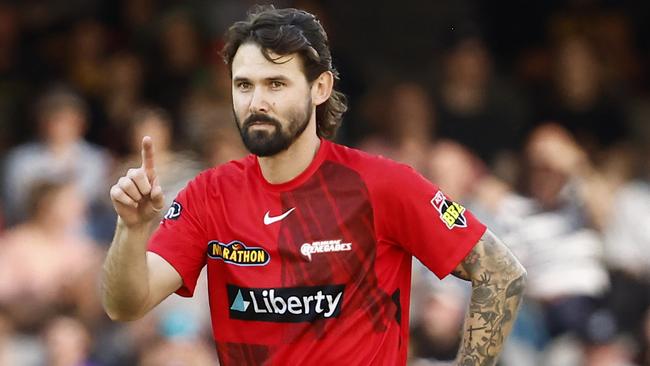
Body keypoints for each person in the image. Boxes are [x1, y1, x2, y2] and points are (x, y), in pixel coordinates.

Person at [102, 6, 526, 365]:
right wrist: (131, 229)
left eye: (276, 84)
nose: (257, 102)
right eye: (244, 85)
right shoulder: (208, 194)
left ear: (319, 87)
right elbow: (125, 304)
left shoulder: (382, 184)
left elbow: (500, 272)